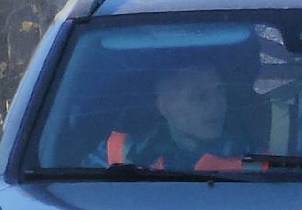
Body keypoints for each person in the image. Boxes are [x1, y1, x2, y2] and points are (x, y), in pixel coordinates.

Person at [88, 64, 247, 170]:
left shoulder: (251, 154)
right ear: (164, 106)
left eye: (220, 92)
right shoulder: (120, 152)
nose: (217, 105)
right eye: (200, 97)